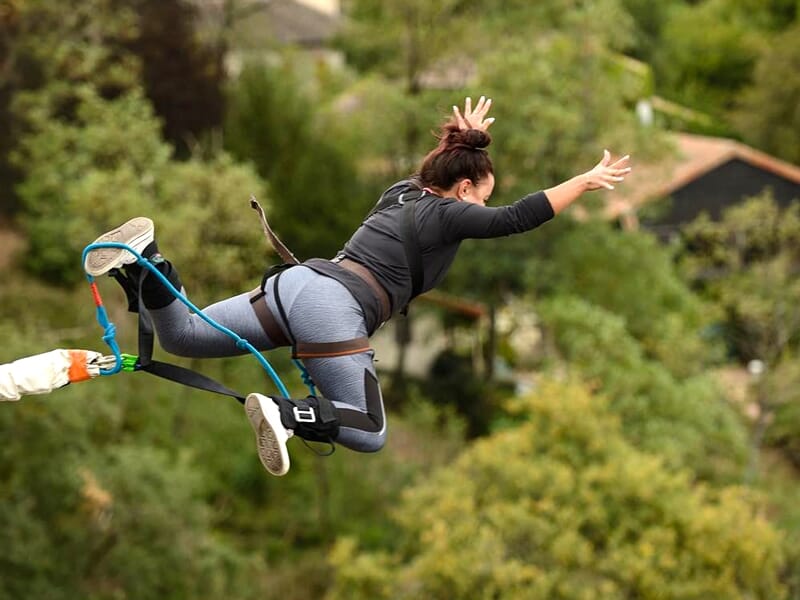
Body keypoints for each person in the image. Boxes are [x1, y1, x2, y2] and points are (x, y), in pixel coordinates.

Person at [83, 96, 632, 476]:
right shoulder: (449, 214)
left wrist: (467, 138)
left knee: (182, 336)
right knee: (369, 430)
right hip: (332, 308)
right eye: (481, 195)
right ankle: (287, 414)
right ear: (464, 187)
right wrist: (584, 181)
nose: (482, 209)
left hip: (296, 284)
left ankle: (146, 258)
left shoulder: (403, 190)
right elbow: (518, 218)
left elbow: (456, 176)